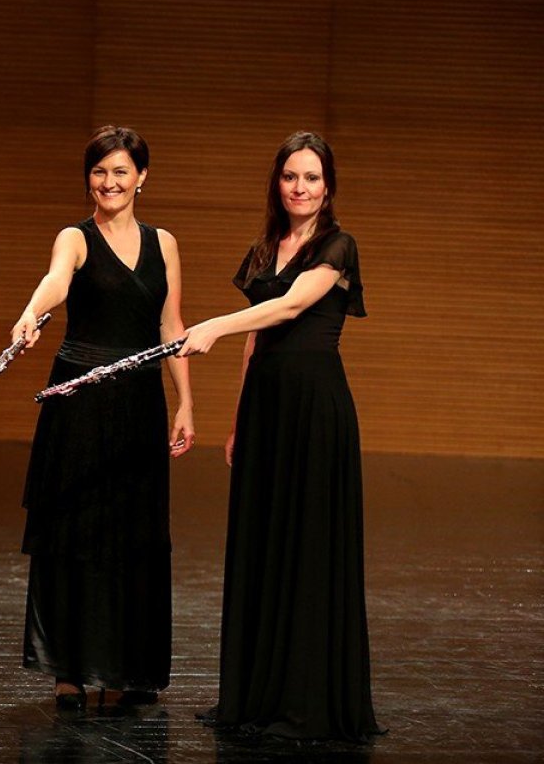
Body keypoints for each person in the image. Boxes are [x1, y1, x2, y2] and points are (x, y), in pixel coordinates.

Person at [179, 131, 381, 741]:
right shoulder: (265, 248)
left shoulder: (337, 246)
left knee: (307, 544)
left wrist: (212, 324)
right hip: (267, 408)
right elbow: (257, 338)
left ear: (328, 187)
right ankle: (252, 695)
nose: (300, 187)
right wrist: (239, 419)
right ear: (277, 182)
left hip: (314, 410)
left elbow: (291, 307)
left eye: (312, 178)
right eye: (291, 176)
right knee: (262, 543)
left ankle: (303, 702)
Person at [12, 125, 194, 711]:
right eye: (99, 171)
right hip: (80, 401)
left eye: (120, 171)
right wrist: (31, 313)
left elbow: (170, 325)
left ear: (142, 177)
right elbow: (56, 281)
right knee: (76, 531)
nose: (109, 182)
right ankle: (69, 669)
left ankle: (125, 666)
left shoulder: (164, 243)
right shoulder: (75, 237)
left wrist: (186, 401)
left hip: (139, 400)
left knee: (133, 534)